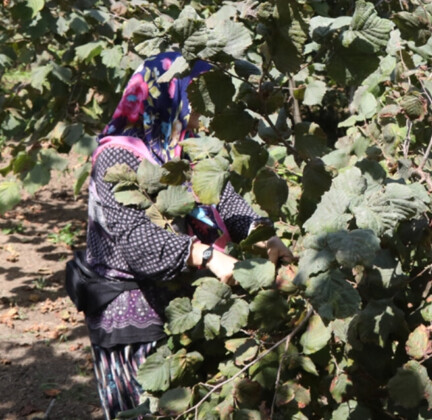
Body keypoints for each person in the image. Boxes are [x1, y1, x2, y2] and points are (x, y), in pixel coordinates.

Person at [83, 51, 292, 419]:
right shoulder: (116, 158)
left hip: (180, 303)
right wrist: (207, 256)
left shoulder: (180, 148)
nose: (202, 109)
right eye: (196, 96)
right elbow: (138, 243)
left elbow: (223, 199)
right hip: (131, 317)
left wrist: (263, 234)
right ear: (168, 95)